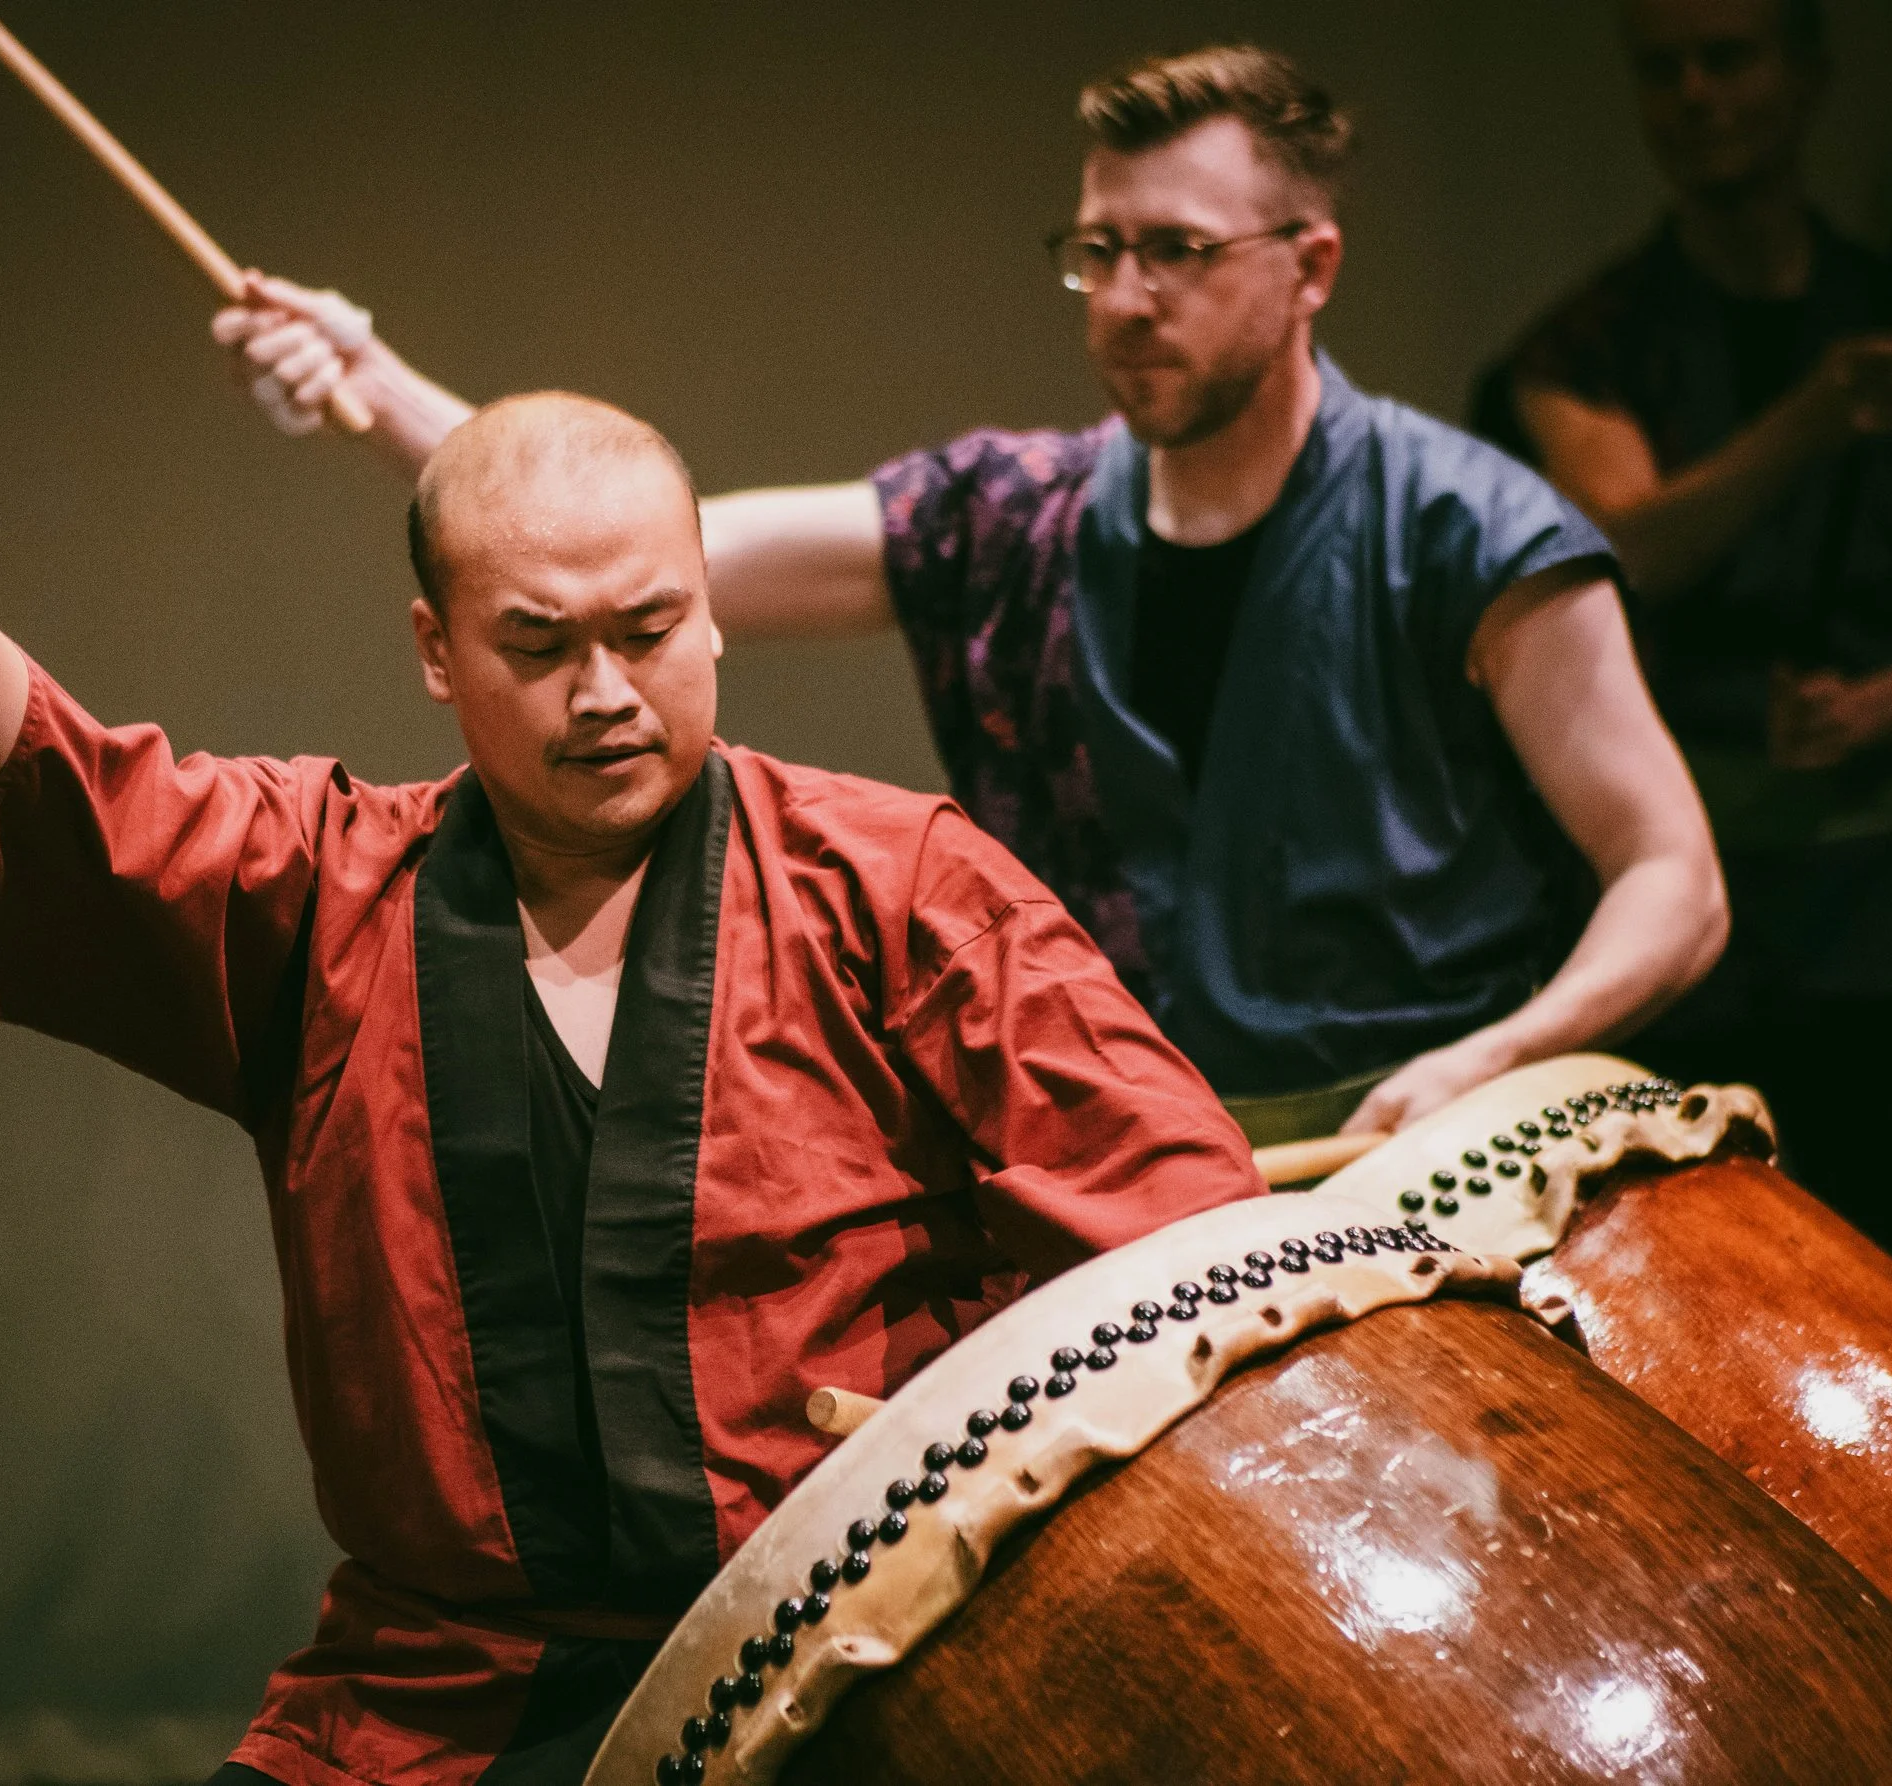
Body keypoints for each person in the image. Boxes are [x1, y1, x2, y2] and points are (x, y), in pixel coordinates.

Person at [0, 393, 1270, 1784]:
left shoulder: (898, 887)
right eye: (542, 646)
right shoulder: (326, 894)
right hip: (441, 1691)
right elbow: (92, 817)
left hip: (857, 1655)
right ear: (438, 650)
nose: (608, 694)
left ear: (709, 607)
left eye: (653, 628)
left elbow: (1190, 1243)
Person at [211, 45, 1728, 1149]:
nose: (1127, 297)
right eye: (1099, 251)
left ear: (1311, 264)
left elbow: (1674, 875)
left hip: (1433, 1147)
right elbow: (649, 564)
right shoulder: (1011, 516)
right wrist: (377, 384)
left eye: (1180, 254)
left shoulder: (1468, 525)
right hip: (1140, 1175)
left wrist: (1497, 1059)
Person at [1485, 0, 1892, 1411]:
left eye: (1729, 58)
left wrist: (1877, 706)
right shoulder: (1584, 347)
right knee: (1706, 1316)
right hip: (1696, 905)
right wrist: (1809, 422)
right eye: (1662, 69)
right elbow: (1625, 539)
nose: (1696, 96)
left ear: (1805, 76)